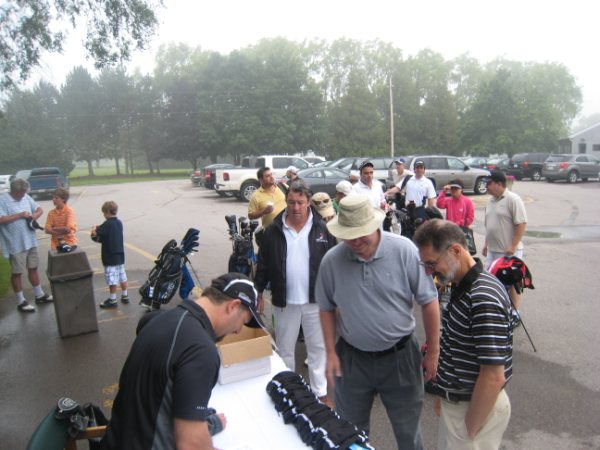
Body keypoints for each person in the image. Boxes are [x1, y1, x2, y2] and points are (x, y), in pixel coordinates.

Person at [315, 194, 440, 449]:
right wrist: (330, 352)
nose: (356, 242)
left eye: (362, 234)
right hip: (352, 359)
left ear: (375, 225)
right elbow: (326, 308)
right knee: (351, 433)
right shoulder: (332, 261)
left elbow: (429, 301)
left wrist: (433, 352)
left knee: (408, 431)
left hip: (400, 357)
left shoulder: (404, 250)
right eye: (349, 236)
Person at [100, 273, 265, 450]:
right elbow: (191, 444)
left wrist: (203, 424)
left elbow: (156, 399)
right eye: (243, 321)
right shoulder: (201, 351)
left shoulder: (159, 318)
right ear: (233, 306)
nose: (238, 331)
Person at [413, 219, 513, 450]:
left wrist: (469, 428)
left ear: (455, 251)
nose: (428, 271)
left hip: (472, 411)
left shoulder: (483, 297)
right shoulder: (461, 285)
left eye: (432, 263)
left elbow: (493, 376)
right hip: (459, 405)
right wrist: (444, 395)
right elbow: (456, 347)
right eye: (424, 265)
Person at [255, 181, 337, 406]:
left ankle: (320, 392)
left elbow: (333, 264)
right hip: (284, 301)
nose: (295, 207)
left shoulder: (322, 229)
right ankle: (288, 391)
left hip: (316, 301)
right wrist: (258, 291)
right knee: (284, 349)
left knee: (317, 348)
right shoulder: (273, 230)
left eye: (300, 202)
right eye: (291, 202)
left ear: (308, 202)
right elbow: (263, 264)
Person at [0, 178, 53, 312]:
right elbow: (1, 219)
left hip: (30, 240)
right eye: (22, 192)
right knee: (17, 272)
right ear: (15, 191)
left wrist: (34, 216)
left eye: (25, 192)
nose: (24, 194)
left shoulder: (26, 197)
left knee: (33, 268)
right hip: (15, 243)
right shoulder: (2, 200)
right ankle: (21, 301)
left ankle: (39, 295)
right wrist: (20, 215)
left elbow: (39, 209)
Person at [482, 170, 527, 310]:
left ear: (499, 184)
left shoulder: (513, 199)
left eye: (489, 183)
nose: (486, 186)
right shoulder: (490, 201)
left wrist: (513, 245)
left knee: (513, 281)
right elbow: (490, 225)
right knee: (490, 280)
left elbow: (521, 223)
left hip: (508, 251)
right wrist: (486, 244)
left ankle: (515, 312)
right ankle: (498, 308)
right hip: (493, 250)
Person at [91, 201, 129, 308]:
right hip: (120, 255)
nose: (103, 215)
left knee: (112, 279)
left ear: (107, 211)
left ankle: (113, 299)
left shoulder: (107, 224)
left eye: (104, 213)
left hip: (110, 256)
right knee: (122, 276)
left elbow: (97, 234)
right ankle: (125, 295)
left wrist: (93, 230)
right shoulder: (119, 223)